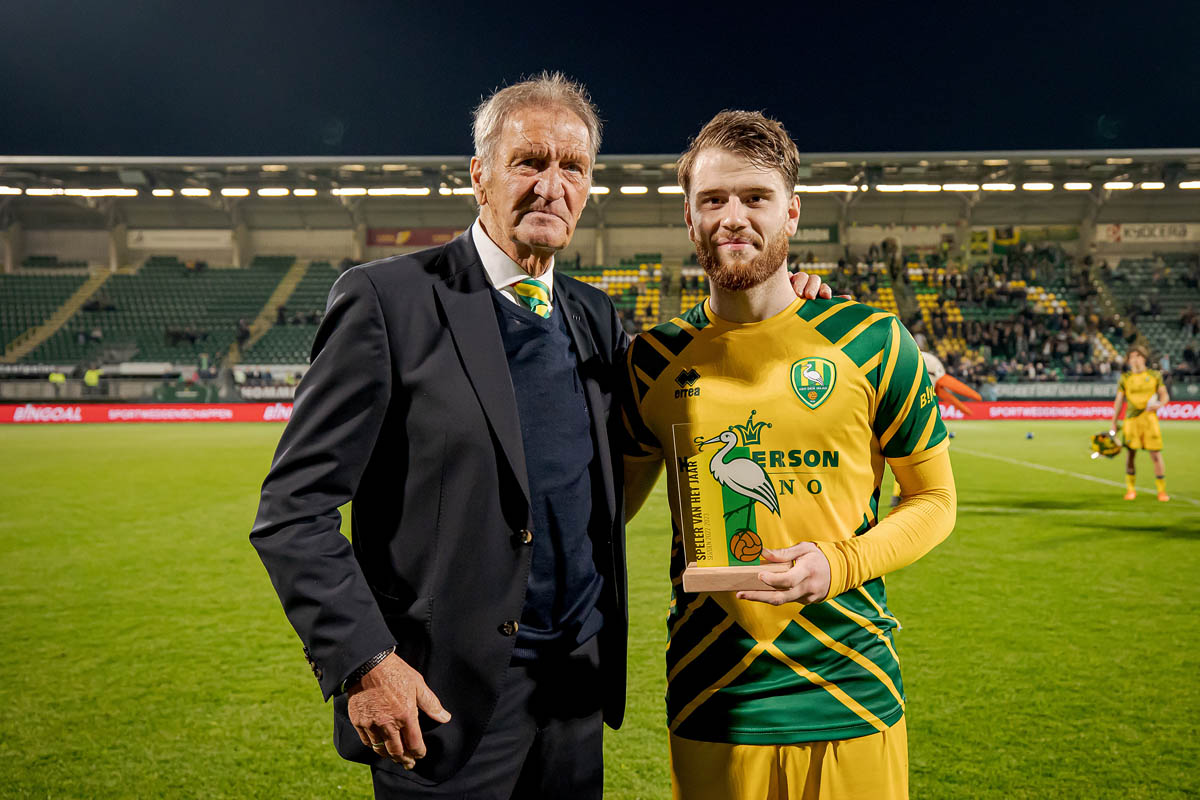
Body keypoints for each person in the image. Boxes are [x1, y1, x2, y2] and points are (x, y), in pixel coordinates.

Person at [249, 71, 838, 799]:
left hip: (573, 689)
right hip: (441, 697)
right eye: (529, 161)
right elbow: (292, 514)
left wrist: (785, 299)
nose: (550, 186)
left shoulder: (594, 316)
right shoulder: (387, 302)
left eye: (573, 168)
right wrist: (365, 661)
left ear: (588, 188)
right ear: (480, 175)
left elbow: (671, 407)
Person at [621, 111, 957, 800]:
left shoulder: (871, 340)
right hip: (713, 694)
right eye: (713, 200)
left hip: (852, 692)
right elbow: (600, 516)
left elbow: (934, 501)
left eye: (755, 198)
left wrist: (838, 564)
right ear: (689, 218)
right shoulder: (650, 360)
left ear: (792, 213)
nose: (733, 217)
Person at [1111, 344, 1169, 502]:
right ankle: (1130, 490)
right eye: (1131, 357)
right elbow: (1118, 402)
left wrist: (1161, 404)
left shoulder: (1155, 375)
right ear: (1128, 360)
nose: (1135, 360)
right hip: (1131, 420)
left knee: (1156, 455)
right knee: (1130, 455)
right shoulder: (1125, 378)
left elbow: (1164, 395)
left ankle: (1161, 491)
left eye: (1138, 356)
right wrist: (1113, 423)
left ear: (1144, 358)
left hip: (1149, 420)